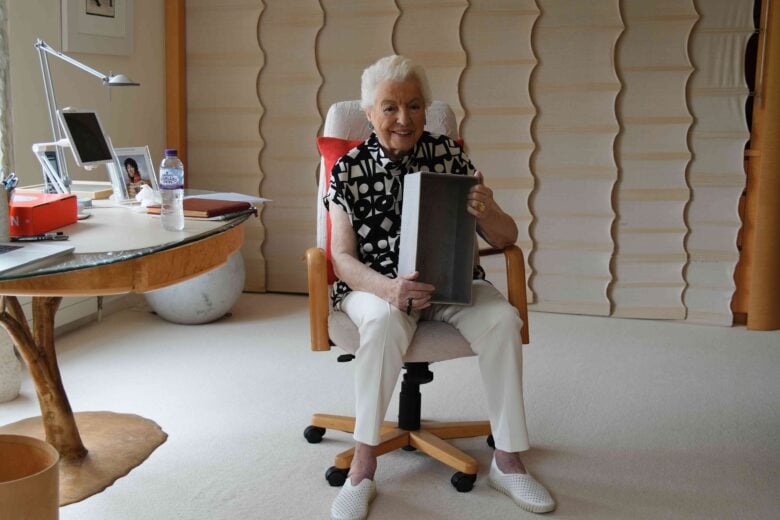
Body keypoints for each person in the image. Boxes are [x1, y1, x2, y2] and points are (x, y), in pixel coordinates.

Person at [324, 55, 556, 520]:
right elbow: (342, 258)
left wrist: (487, 210)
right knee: (386, 323)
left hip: (452, 283)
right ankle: (363, 467)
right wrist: (388, 289)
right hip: (378, 289)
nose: (403, 119)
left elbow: (506, 237)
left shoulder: (451, 156)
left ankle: (508, 462)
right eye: (389, 107)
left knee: (500, 319)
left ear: (425, 109)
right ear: (370, 113)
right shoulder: (347, 170)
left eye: (413, 106)